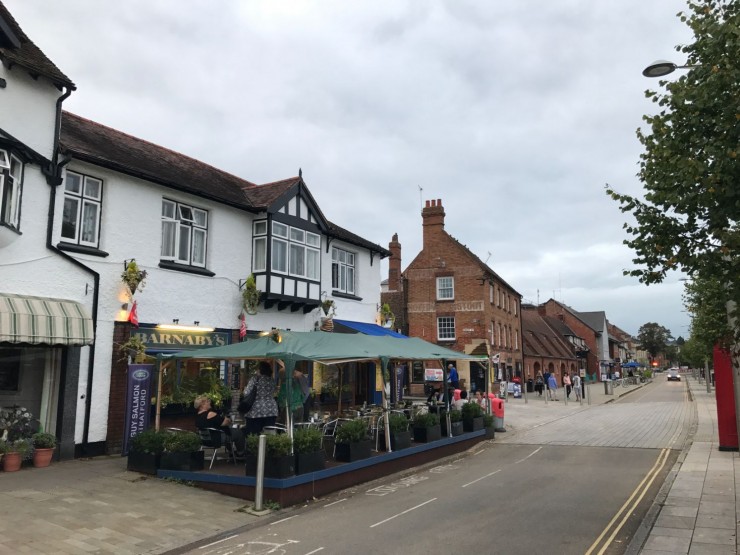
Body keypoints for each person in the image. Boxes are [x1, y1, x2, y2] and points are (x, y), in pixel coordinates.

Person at [242, 361, 278, 435]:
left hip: (256, 410)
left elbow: (246, 393)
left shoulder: (255, 379)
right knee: (268, 434)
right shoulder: (272, 380)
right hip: (271, 409)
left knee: (254, 434)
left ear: (260, 369)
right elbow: (274, 391)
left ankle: (255, 446)